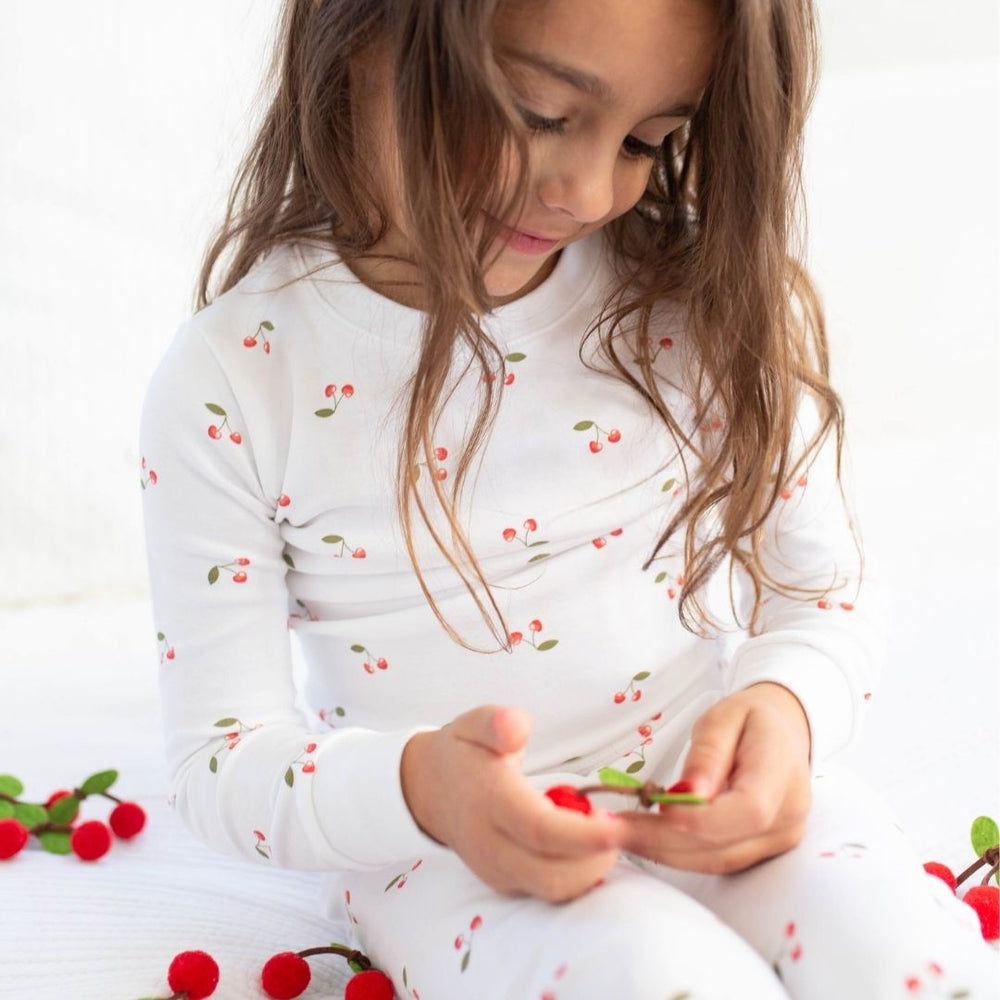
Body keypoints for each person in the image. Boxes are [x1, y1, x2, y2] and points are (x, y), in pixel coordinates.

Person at [140, 1, 998, 997]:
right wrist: (424, 790)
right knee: (656, 976)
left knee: (914, 959)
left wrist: (783, 706)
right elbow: (223, 761)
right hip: (443, 858)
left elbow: (825, 589)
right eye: (538, 112)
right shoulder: (236, 376)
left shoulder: (688, 297)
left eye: (646, 140)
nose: (591, 190)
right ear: (360, 38)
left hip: (695, 786)